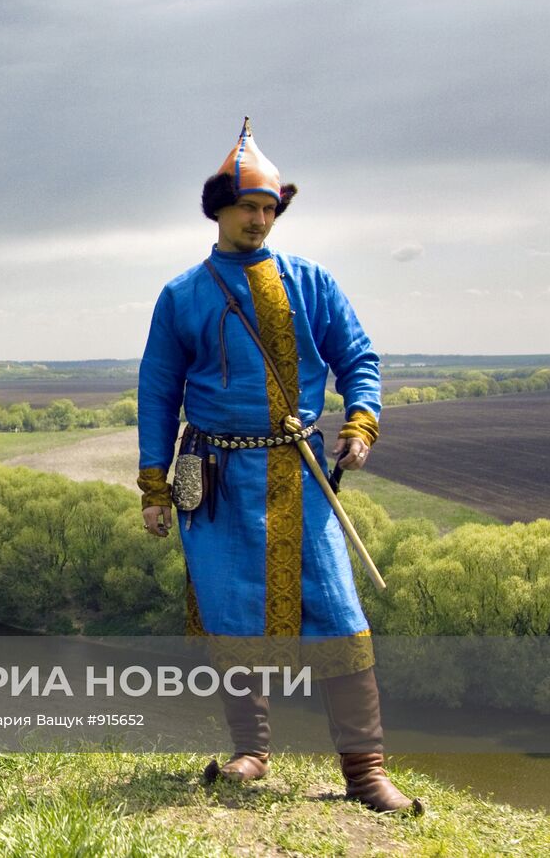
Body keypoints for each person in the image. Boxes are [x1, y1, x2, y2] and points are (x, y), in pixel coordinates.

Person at [134, 118, 420, 814]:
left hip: (298, 474)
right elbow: (157, 391)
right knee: (234, 616)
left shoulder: (311, 281)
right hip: (212, 476)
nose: (260, 218)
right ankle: (252, 751)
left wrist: (360, 420)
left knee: (338, 613)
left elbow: (360, 358)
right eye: (248, 207)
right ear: (220, 210)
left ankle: (365, 771)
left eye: (269, 208)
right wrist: (153, 485)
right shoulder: (181, 295)